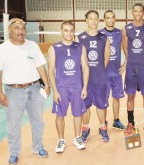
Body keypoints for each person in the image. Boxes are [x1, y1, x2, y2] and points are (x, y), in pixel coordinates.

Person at [0, 18, 50, 164]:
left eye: (23, 28)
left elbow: (41, 66)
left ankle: (38, 147)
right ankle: (14, 153)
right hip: (13, 91)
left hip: (34, 89)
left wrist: (47, 84)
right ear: (9, 30)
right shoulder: (1, 50)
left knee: (37, 121)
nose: (21, 31)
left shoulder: (32, 46)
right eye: (17, 28)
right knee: (13, 125)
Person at [48, 21, 89, 153]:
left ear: (74, 31)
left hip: (77, 87)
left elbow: (85, 67)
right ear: (61, 31)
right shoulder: (54, 48)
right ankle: (61, 140)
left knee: (78, 114)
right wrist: (54, 90)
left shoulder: (80, 47)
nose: (69, 33)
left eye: (71, 30)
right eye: (66, 30)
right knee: (60, 115)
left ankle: (77, 138)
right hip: (61, 88)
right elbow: (51, 71)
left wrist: (85, 87)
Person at [77, 10, 111, 142]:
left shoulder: (104, 38)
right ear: (86, 20)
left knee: (101, 105)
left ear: (99, 21)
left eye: (96, 19)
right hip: (84, 80)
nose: (93, 21)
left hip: (100, 78)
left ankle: (103, 128)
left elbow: (106, 60)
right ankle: (85, 129)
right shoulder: (79, 38)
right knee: (85, 106)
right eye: (90, 19)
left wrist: (98, 71)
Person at [122, 3, 144, 136]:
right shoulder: (126, 29)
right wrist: (131, 60)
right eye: (135, 11)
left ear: (143, 13)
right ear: (132, 13)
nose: (137, 13)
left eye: (140, 11)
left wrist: (143, 60)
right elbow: (125, 48)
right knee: (130, 96)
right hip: (130, 67)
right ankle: (130, 123)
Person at [99, 10, 126, 130]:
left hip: (116, 72)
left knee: (116, 97)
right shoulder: (99, 34)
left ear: (115, 19)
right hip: (103, 73)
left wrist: (125, 63)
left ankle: (116, 120)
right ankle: (103, 123)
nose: (110, 20)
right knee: (103, 100)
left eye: (112, 17)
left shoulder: (120, 33)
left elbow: (126, 49)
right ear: (104, 20)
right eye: (107, 18)